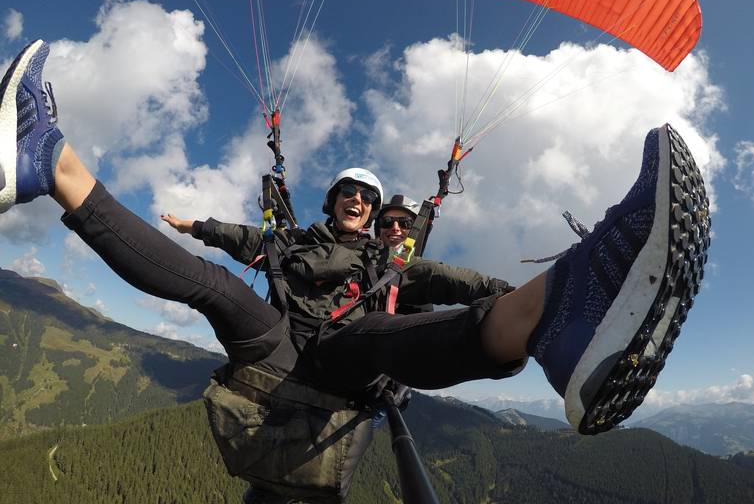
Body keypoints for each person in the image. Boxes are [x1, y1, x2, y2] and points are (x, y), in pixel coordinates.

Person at [0, 40, 710, 503]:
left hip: (344, 354)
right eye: (347, 195)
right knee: (214, 289)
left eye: (367, 200)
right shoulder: (295, 240)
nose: (357, 204)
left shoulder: (391, 263)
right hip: (278, 343)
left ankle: (553, 317)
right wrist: (197, 226)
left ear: (374, 214)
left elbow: (453, 281)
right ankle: (50, 164)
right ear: (333, 201)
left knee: (378, 338)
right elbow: (244, 237)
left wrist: (498, 292)